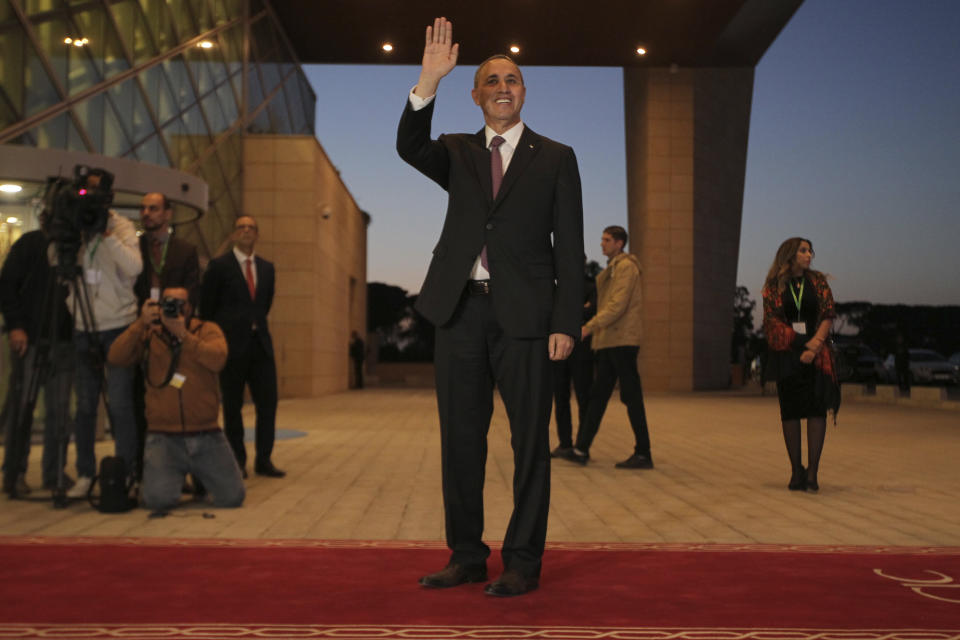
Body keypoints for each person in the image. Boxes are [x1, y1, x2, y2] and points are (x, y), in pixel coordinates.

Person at [397, 18, 584, 597]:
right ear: (476, 94)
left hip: (527, 319)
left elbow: (570, 247)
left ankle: (524, 562)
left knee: (530, 443)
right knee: (460, 440)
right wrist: (426, 83)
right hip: (458, 313)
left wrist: (566, 322)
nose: (504, 86)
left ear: (523, 92)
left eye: (513, 79)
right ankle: (467, 556)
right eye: (492, 80)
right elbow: (409, 146)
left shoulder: (555, 157)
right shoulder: (455, 151)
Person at [107, 287, 244, 512]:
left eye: (181, 304)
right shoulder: (150, 334)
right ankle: (181, 476)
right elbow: (115, 356)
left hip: (206, 434)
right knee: (158, 502)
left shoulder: (207, 330)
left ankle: (198, 475)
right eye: (169, 303)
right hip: (164, 438)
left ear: (190, 307)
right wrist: (140, 323)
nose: (175, 309)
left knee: (233, 497)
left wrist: (184, 336)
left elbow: (218, 359)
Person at [66, 170, 142, 498]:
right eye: (87, 190)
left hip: (119, 326)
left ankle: (127, 472)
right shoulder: (74, 221)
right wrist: (64, 234)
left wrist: (107, 234)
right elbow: (56, 262)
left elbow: (135, 267)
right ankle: (85, 473)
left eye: (97, 191)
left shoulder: (121, 225)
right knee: (84, 405)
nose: (90, 196)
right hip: (84, 325)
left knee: (121, 405)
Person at [199, 215, 284, 478]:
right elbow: (207, 307)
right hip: (231, 348)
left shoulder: (267, 268)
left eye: (251, 228)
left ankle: (264, 460)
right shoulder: (219, 266)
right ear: (234, 234)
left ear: (257, 234)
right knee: (233, 406)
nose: (246, 231)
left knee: (268, 404)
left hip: (261, 348)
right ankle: (237, 459)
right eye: (241, 227)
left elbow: (264, 305)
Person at [563, 226, 653, 469]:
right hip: (609, 341)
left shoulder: (626, 267)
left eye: (607, 240)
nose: (602, 244)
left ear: (620, 243)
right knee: (598, 397)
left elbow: (616, 305)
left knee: (631, 396)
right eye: (602, 239)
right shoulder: (613, 268)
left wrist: (587, 327)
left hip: (622, 341)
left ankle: (643, 453)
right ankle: (581, 449)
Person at [0, 214, 75, 495]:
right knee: (22, 408)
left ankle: (54, 472)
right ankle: (13, 473)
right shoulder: (29, 244)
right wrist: (16, 326)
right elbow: (6, 285)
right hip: (30, 338)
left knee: (59, 411)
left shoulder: (74, 248)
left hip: (64, 340)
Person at [761, 237, 839, 493]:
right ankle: (796, 472)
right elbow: (771, 322)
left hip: (816, 355)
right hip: (787, 354)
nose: (809, 255)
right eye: (804, 251)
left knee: (816, 410)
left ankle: (813, 474)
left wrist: (815, 344)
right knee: (791, 412)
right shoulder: (774, 286)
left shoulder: (817, 281)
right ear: (790, 255)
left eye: (810, 250)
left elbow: (828, 313)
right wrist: (799, 344)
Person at [132, 192, 200, 480]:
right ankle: (141, 470)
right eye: (144, 209)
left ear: (168, 214)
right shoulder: (133, 248)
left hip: (172, 338)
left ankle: (179, 471)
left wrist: (178, 325)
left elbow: (193, 292)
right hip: (141, 334)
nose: (147, 213)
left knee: (174, 402)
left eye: (154, 208)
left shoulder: (185, 250)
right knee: (139, 405)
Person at [550, 262, 596, 458]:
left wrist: (569, 311)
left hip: (582, 347)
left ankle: (582, 445)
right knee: (560, 396)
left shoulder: (590, 286)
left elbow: (592, 311)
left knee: (584, 396)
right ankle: (565, 443)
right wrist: (579, 308)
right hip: (559, 347)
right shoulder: (556, 286)